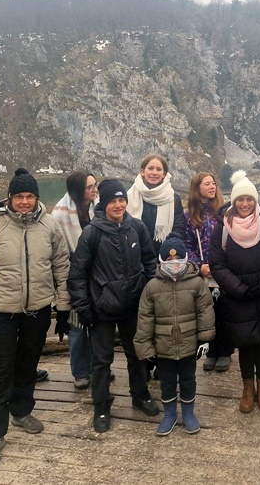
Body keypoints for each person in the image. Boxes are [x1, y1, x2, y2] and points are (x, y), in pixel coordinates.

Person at [0, 169, 71, 466]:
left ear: (36, 198)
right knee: (0, 371)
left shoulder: (49, 225)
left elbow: (62, 266)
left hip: (37, 309)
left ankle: (21, 411)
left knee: (28, 364)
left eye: (30, 196)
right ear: (9, 198)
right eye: (19, 196)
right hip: (1, 310)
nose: (24, 202)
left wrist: (63, 306)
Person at [68, 179, 161, 433]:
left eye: (122, 200)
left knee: (138, 354)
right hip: (102, 308)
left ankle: (140, 395)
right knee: (101, 360)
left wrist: (149, 293)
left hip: (133, 304)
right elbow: (77, 275)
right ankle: (101, 405)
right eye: (113, 201)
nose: (118, 205)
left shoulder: (137, 228)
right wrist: (84, 309)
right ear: (104, 203)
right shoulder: (92, 233)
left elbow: (150, 260)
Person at [208, 171, 260, 413]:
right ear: (233, 201)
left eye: (249, 199)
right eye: (240, 199)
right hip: (237, 298)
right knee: (245, 344)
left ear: (255, 200)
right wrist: (239, 290)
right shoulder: (223, 228)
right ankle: (247, 387)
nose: (245, 204)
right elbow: (217, 264)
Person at [134, 238, 215, 436]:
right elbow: (145, 319)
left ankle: (188, 412)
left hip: (189, 344)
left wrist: (204, 339)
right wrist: (146, 348)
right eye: (169, 259)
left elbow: (205, 311)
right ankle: (169, 414)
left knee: (188, 380)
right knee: (167, 382)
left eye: (178, 258)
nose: (174, 262)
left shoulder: (197, 283)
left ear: (185, 258)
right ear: (161, 261)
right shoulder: (152, 287)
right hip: (163, 346)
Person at [51, 170, 98, 390]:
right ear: (78, 190)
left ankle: (98, 368)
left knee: (98, 326)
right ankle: (80, 372)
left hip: (98, 275)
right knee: (77, 327)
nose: (94, 190)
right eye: (89, 187)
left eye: (95, 185)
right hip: (73, 277)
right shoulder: (60, 215)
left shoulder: (98, 208)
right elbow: (57, 252)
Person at [182, 172, 233, 373]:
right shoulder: (189, 215)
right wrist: (198, 265)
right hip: (203, 271)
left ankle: (225, 351)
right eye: (207, 184)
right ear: (197, 188)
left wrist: (223, 264)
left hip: (223, 269)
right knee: (206, 313)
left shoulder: (223, 212)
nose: (212, 187)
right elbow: (187, 244)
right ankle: (211, 351)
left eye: (213, 183)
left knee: (225, 311)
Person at [126, 153, 186, 255]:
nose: (154, 173)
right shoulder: (129, 196)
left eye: (159, 169)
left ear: (164, 174)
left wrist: (168, 248)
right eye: (150, 168)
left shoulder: (172, 198)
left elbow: (179, 227)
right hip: (134, 253)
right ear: (142, 172)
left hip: (163, 254)